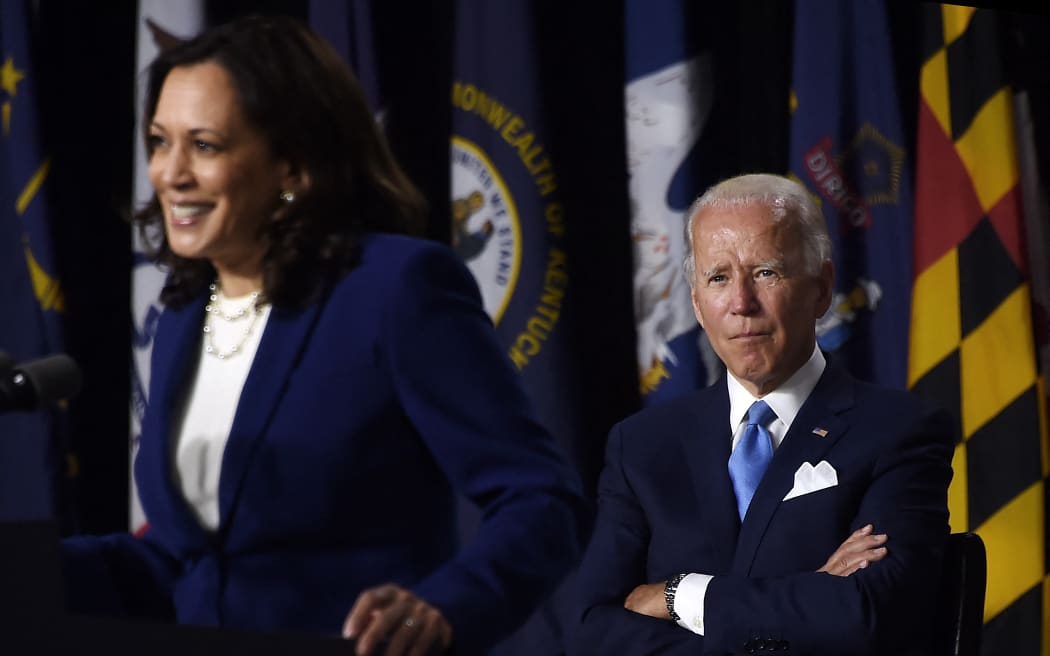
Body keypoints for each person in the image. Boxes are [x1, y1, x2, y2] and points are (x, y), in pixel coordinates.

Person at [61, 15, 587, 656]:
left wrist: (446, 606)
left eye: (204, 145)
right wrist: (34, 569)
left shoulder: (395, 290)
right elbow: (191, 559)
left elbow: (541, 500)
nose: (170, 173)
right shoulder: (181, 315)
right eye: (158, 141)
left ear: (290, 164)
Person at [569, 173, 953, 655]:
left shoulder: (900, 431)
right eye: (718, 277)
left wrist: (677, 595)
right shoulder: (642, 446)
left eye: (766, 272)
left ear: (821, 288)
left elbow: (866, 614)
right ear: (696, 302)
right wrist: (811, 596)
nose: (741, 304)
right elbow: (590, 630)